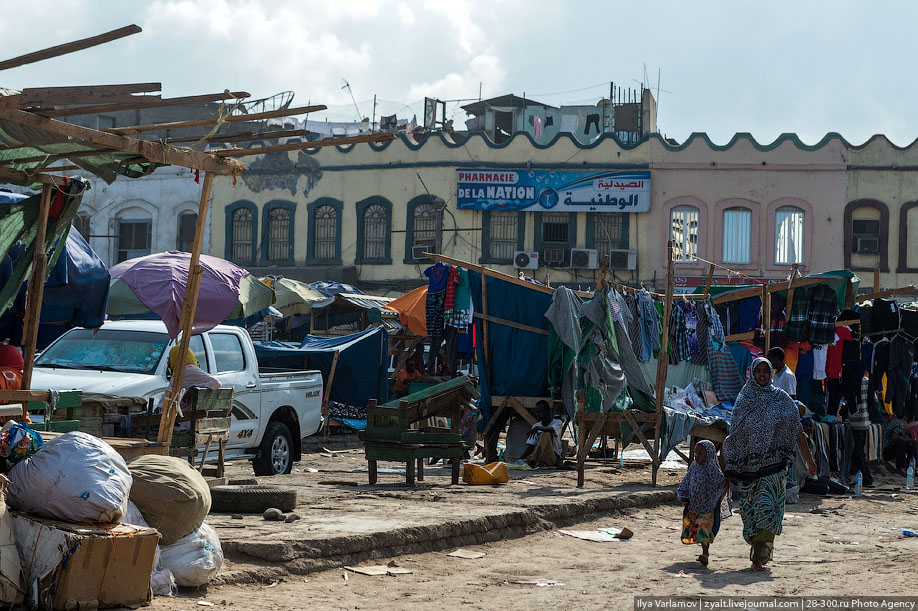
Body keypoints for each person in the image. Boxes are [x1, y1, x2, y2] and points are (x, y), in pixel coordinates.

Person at [722, 357, 817, 571]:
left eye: (766, 370)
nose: (763, 374)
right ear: (753, 374)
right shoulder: (744, 398)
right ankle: (757, 547)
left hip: (774, 468)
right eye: (759, 371)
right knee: (749, 512)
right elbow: (734, 433)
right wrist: (729, 465)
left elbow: (796, 429)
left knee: (766, 509)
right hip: (747, 470)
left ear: (771, 373)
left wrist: (809, 459)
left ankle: (759, 557)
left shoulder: (781, 399)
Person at [677, 440, 727, 567]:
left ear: (709, 455)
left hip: (707, 507)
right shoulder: (694, 466)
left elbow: (721, 484)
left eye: (700, 453)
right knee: (695, 528)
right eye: (695, 453)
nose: (696, 456)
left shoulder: (712, 469)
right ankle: (704, 552)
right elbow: (686, 481)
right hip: (693, 504)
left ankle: (705, 554)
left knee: (704, 529)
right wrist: (682, 495)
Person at [516, 400, 564, 468]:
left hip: (551, 457)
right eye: (536, 412)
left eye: (539, 412)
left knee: (545, 434)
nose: (537, 414)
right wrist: (522, 457)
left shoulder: (557, 422)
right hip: (539, 456)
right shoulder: (536, 426)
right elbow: (531, 446)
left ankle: (533, 461)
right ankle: (533, 460)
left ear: (547, 411)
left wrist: (538, 428)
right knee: (510, 458)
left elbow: (551, 429)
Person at [848, 373, 873, 486]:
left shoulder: (850, 379)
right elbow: (874, 400)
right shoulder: (867, 381)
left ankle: (866, 477)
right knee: (859, 450)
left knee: (858, 451)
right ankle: (864, 476)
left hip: (854, 420)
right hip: (864, 420)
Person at [883, 411, 917, 476]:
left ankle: (909, 467)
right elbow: (895, 437)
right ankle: (899, 468)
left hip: (888, 450)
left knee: (911, 445)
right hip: (887, 452)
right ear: (904, 417)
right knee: (902, 443)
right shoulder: (899, 423)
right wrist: (908, 440)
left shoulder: (895, 421)